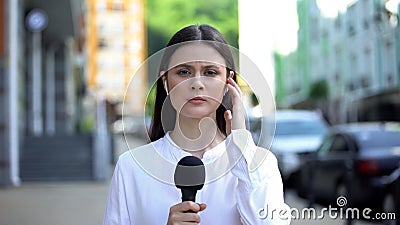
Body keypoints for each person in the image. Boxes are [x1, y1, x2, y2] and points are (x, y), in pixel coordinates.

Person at [103, 24, 291, 225]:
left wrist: (241, 143)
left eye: (210, 72)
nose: (197, 83)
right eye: (184, 72)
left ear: (229, 82)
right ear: (165, 81)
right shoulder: (131, 167)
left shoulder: (260, 165)